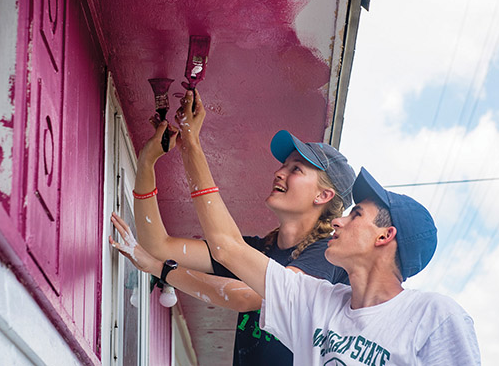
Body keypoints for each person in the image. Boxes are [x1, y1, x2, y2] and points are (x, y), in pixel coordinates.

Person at [152, 90, 480, 364]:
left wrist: (163, 271)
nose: (339, 219)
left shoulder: (434, 316)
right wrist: (187, 146)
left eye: (356, 215)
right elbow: (227, 245)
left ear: (385, 236)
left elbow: (238, 290)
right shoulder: (319, 302)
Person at [111, 88, 355, 365]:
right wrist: (146, 162)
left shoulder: (328, 256)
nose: (279, 172)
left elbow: (245, 296)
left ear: (323, 196)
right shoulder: (258, 251)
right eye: (284, 165)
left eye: (296, 169)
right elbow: (158, 246)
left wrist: (161, 270)